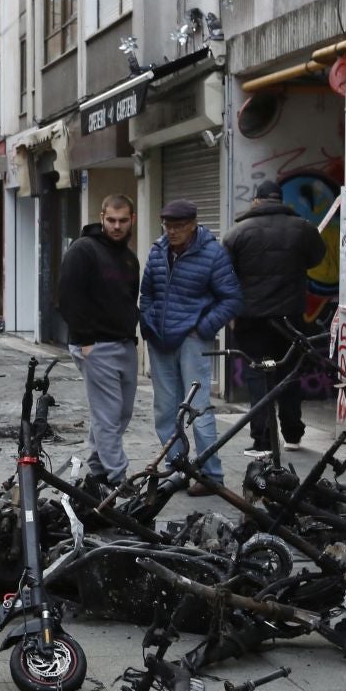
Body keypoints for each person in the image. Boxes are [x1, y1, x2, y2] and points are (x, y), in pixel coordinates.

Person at [139, 198, 243, 494]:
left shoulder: (212, 254)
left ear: (193, 224)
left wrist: (203, 329)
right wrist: (147, 321)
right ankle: (178, 466)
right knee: (165, 409)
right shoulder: (158, 251)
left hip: (192, 339)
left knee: (198, 408)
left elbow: (232, 298)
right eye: (168, 226)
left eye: (179, 226)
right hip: (159, 339)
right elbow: (147, 292)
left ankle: (210, 474)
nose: (172, 232)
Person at [223, 178, 326, 456]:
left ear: (256, 200)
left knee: (258, 376)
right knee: (289, 374)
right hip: (290, 318)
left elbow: (225, 273)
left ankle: (263, 441)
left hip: (252, 319)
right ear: (281, 201)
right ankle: (293, 433)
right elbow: (317, 257)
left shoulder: (238, 232)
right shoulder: (303, 229)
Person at [57, 194, 141, 489]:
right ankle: (119, 477)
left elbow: (129, 298)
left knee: (120, 413)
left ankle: (98, 468)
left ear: (132, 219)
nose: (117, 226)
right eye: (111, 220)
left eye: (123, 220)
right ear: (102, 217)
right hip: (96, 345)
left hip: (124, 344)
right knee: (108, 414)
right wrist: (85, 340)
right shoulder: (83, 250)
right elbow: (67, 297)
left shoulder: (129, 257)